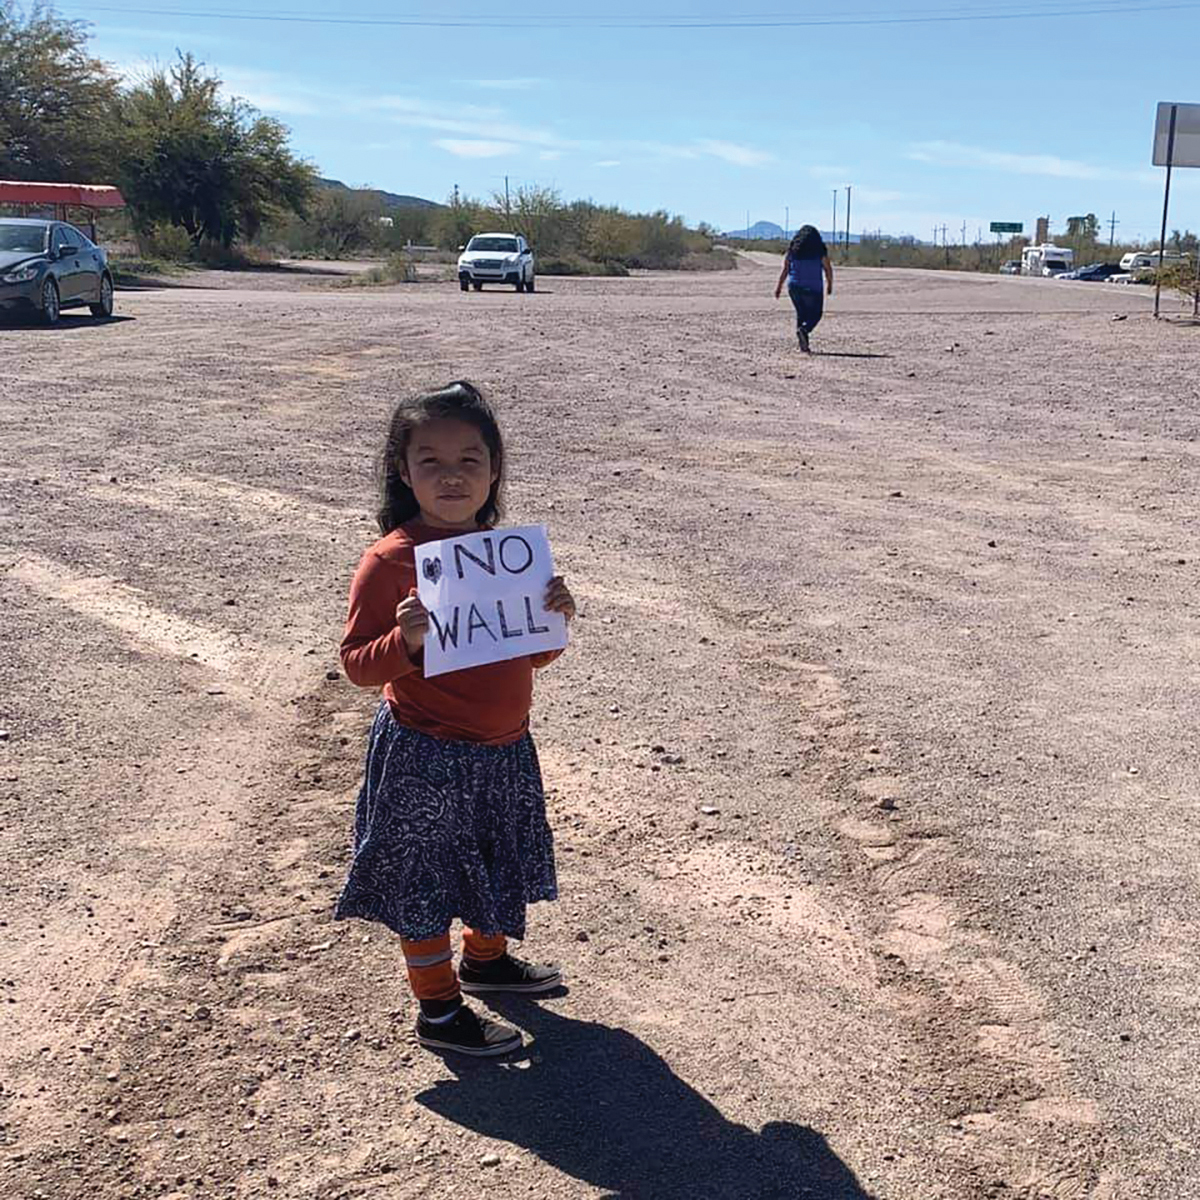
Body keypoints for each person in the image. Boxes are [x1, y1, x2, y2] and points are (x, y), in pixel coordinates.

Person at [336, 380, 576, 1057]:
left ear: (494, 471)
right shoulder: (389, 561)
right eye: (431, 461)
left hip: (503, 751)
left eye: (469, 460)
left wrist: (553, 616)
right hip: (425, 755)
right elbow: (357, 665)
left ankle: (486, 961)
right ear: (402, 470)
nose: (451, 476)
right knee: (425, 882)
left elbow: (538, 658)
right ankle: (439, 1009)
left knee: (497, 864)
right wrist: (407, 644)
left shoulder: (506, 557)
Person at [774, 225, 834, 353]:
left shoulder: (793, 250)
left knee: (801, 314)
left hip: (794, 287)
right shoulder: (819, 250)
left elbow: (785, 269)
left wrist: (779, 287)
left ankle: (803, 344)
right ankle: (804, 331)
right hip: (813, 288)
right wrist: (830, 285)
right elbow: (828, 268)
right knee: (816, 314)